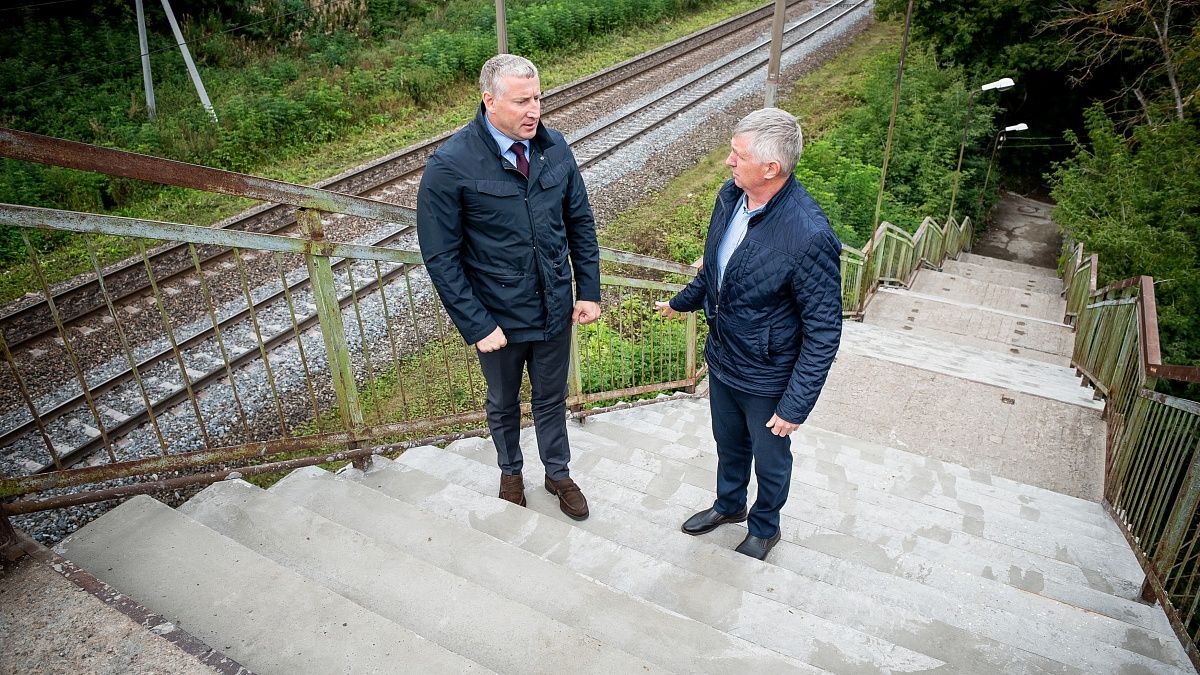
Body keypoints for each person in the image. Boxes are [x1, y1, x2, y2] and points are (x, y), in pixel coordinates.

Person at [417, 54, 601, 520]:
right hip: (496, 318)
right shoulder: (451, 165)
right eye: (522, 101)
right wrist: (477, 323)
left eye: (537, 98)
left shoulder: (555, 148)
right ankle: (510, 472)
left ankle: (557, 473)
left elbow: (580, 222)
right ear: (489, 101)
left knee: (551, 396)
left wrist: (589, 290)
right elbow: (441, 256)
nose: (534, 110)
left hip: (554, 307)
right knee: (503, 402)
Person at [655, 108, 842, 560]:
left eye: (737, 155)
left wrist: (796, 404)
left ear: (771, 168)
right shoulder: (730, 196)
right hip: (723, 359)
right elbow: (716, 269)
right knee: (728, 443)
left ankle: (764, 528)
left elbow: (824, 331)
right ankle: (729, 506)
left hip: (767, 376)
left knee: (771, 460)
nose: (728, 162)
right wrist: (680, 302)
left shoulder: (810, 235)